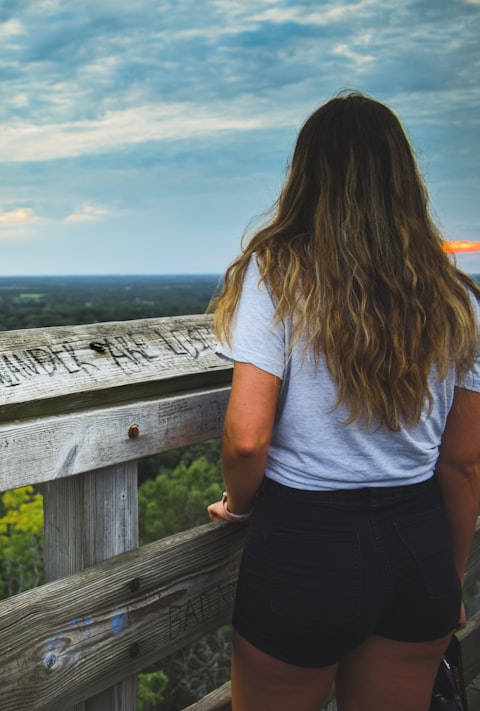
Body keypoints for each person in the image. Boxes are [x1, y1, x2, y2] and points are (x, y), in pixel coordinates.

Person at [205, 91, 480, 711]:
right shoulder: (458, 300)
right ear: (404, 181)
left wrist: (242, 506)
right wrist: (447, 577)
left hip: (305, 543)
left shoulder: (277, 274)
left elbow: (247, 437)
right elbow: (462, 464)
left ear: (308, 179)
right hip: (419, 545)